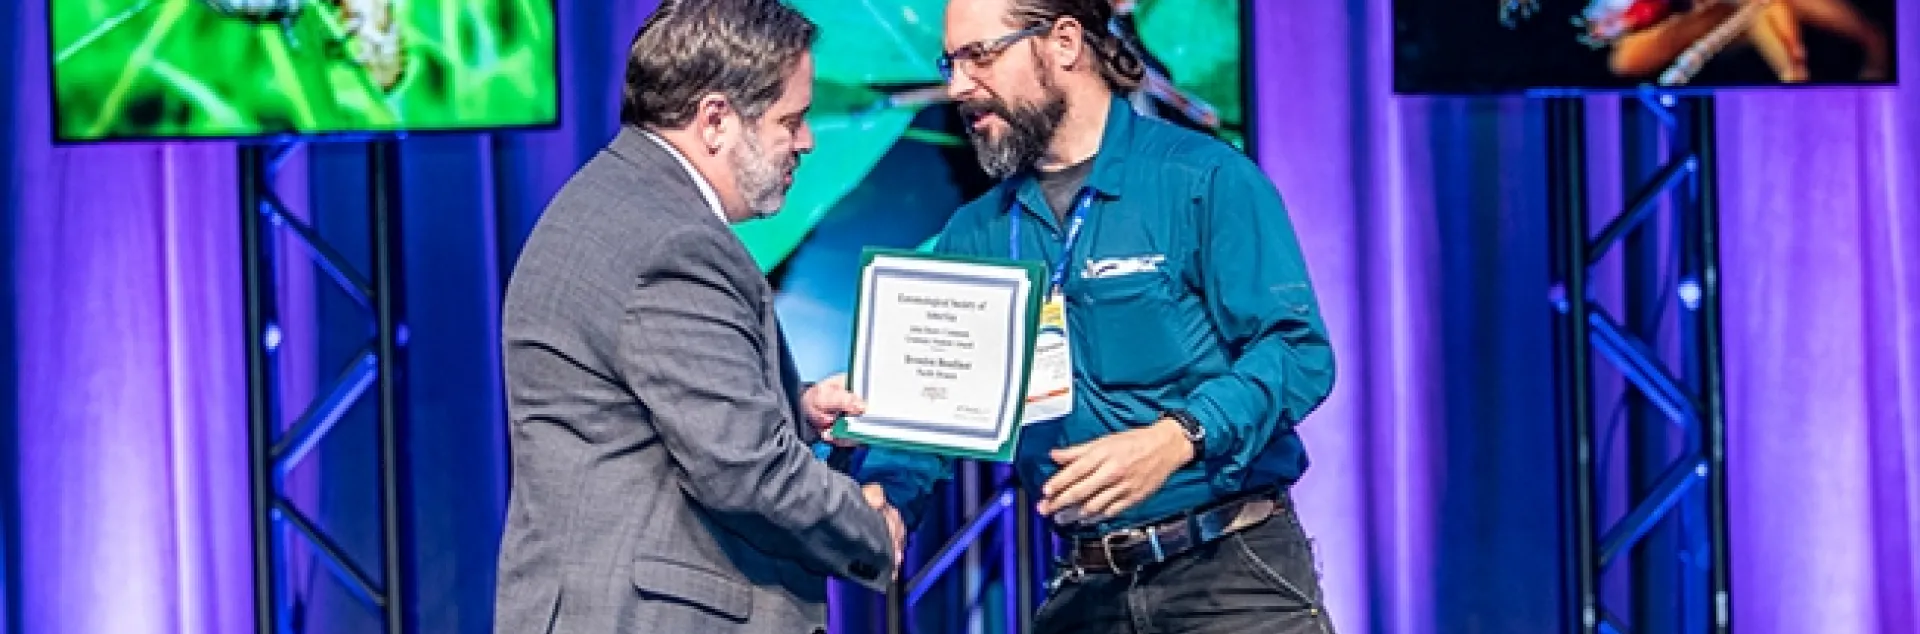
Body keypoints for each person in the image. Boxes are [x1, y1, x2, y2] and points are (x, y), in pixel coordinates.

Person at [850, 0, 1339, 632]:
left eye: (980, 56)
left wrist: (1176, 438)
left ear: (1063, 42)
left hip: (1231, 574)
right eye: (952, 61)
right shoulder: (976, 233)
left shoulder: (1204, 179)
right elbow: (924, 419)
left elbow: (1298, 353)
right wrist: (888, 499)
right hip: (1086, 584)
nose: (956, 86)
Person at [493, 1, 904, 632]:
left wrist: (793, 410)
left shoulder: (615, 197)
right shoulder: (676, 243)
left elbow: (647, 405)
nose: (807, 140)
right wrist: (867, 525)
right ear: (715, 120)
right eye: (790, 120)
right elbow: (745, 471)